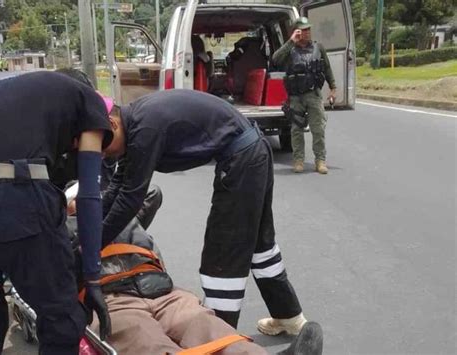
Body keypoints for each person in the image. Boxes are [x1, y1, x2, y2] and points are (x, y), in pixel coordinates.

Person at [99, 89, 311, 335]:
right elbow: (118, 184)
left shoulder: (144, 129)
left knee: (222, 258)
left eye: (101, 145)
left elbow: (130, 197)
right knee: (261, 247)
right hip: (251, 153)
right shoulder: (135, 121)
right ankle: (288, 315)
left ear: (112, 124)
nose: (102, 153)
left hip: (242, 160)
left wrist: (94, 245)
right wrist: (91, 224)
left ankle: (217, 340)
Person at [66, 184, 323, 355]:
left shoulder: (123, 218)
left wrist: (108, 197)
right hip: (110, 298)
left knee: (205, 325)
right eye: (79, 197)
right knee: (144, 338)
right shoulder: (60, 231)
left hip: (163, 290)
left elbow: (152, 192)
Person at [0, 71, 113, 355]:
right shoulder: (88, 101)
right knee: (62, 320)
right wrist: (92, 278)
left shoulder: (2, 93)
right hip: (14, 196)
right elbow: (90, 194)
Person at [272, 17, 336, 174]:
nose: (306, 33)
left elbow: (327, 69)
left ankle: (320, 160)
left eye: (308, 29)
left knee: (318, 129)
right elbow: (275, 60)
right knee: (296, 130)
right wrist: (291, 41)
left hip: (313, 94)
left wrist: (333, 88)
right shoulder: (290, 49)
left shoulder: (318, 47)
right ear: (296, 31)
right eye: (303, 30)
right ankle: (298, 160)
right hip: (295, 97)